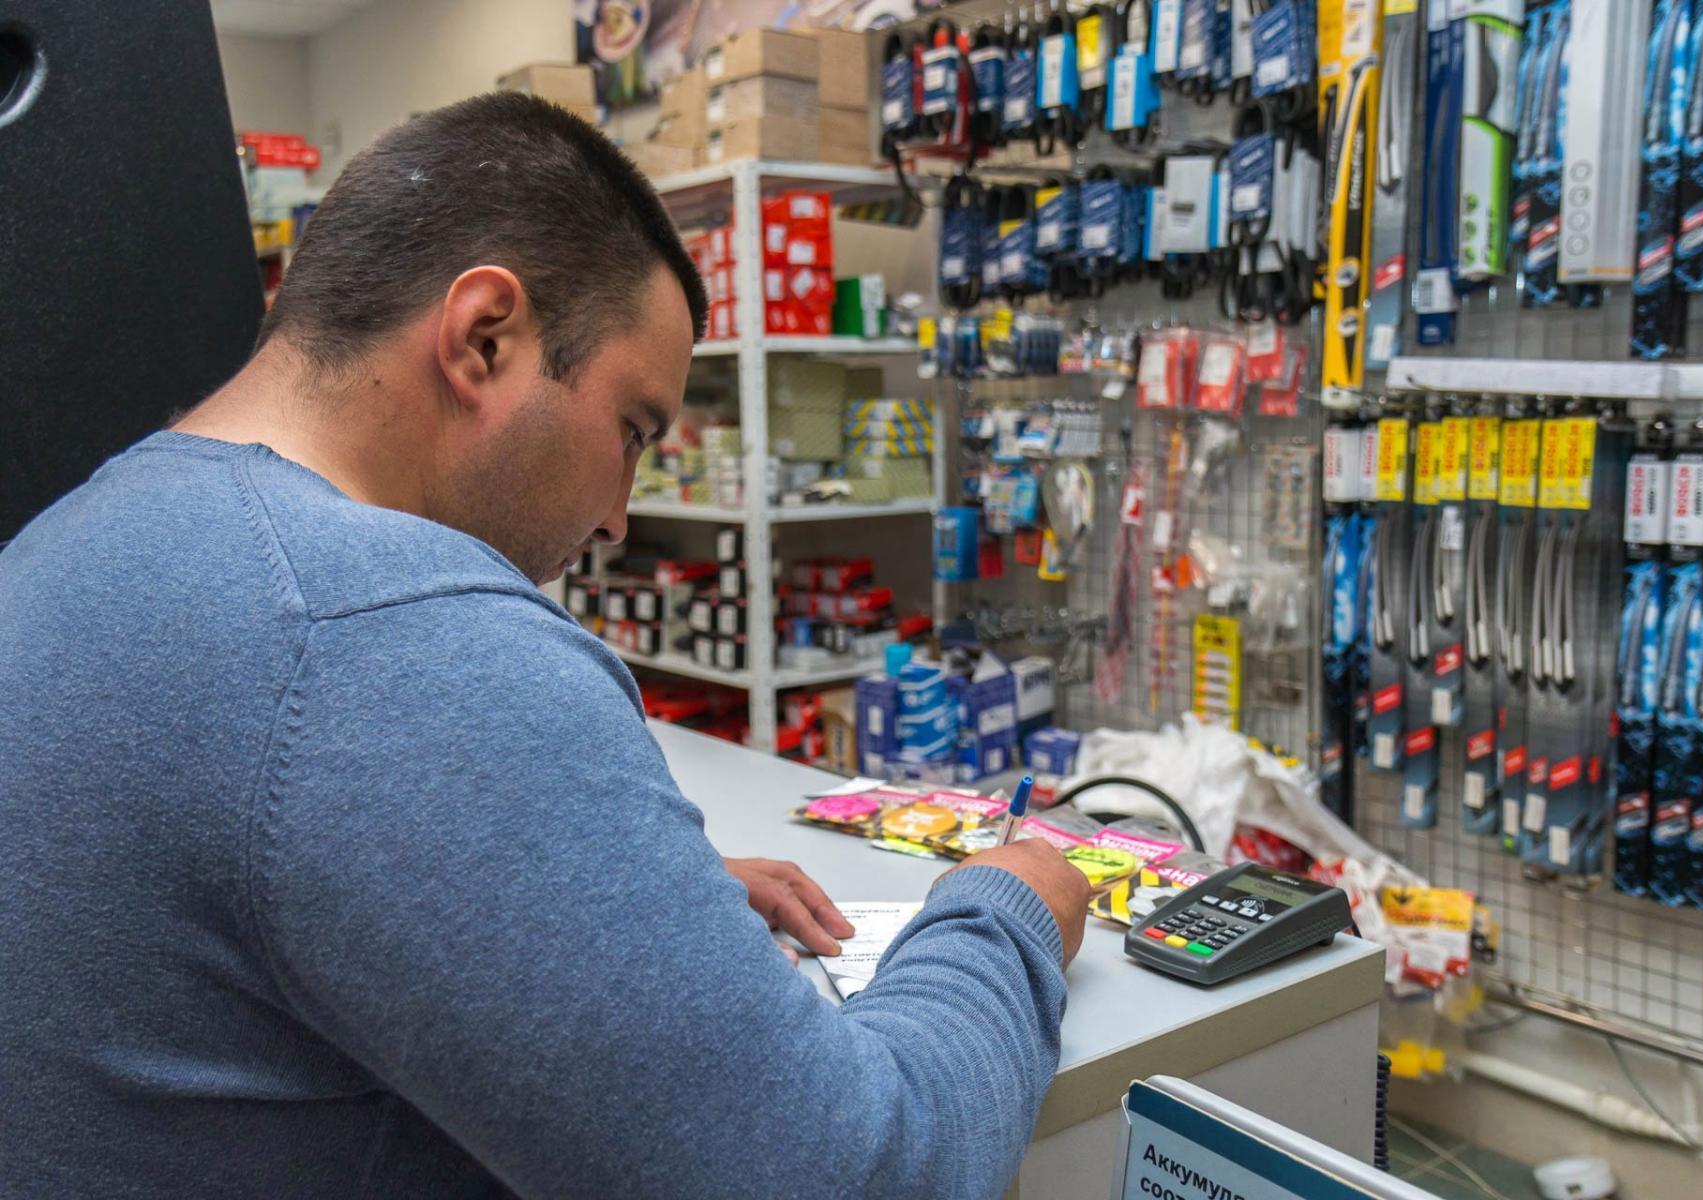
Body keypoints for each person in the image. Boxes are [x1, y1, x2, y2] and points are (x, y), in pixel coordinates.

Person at [0, 93, 1091, 1198]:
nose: (619, 517)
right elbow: (865, 1173)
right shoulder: (400, 639)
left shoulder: (72, 537)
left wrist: (575, 894)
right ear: (485, 338)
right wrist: (1004, 916)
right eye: (632, 430)